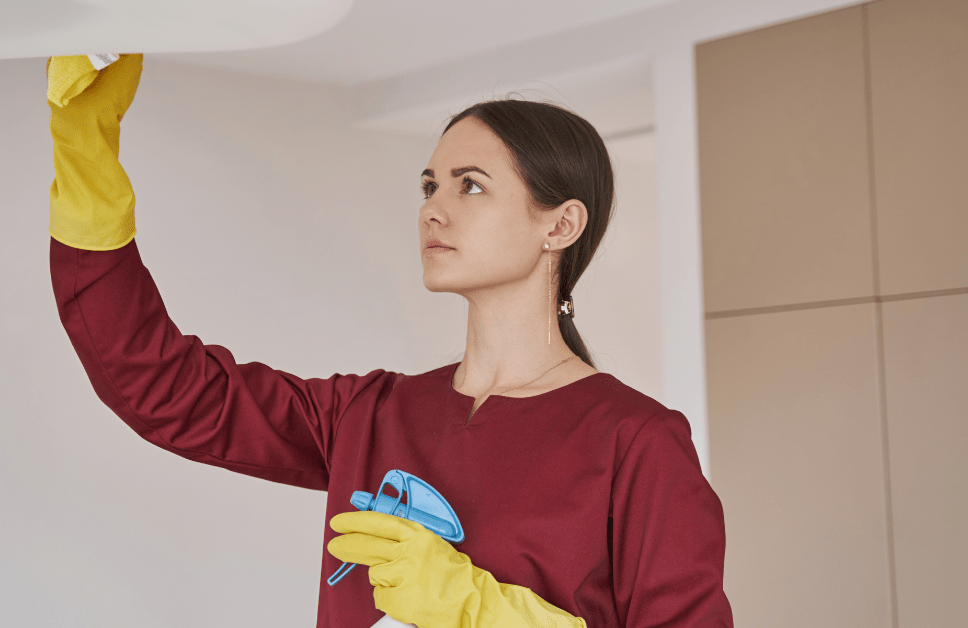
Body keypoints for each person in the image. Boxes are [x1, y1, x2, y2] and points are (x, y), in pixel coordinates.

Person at [47, 53, 733, 628]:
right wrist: (86, 149)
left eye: (471, 186)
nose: (432, 207)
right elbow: (160, 386)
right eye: (429, 183)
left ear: (559, 226)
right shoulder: (368, 416)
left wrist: (484, 612)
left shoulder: (637, 441)